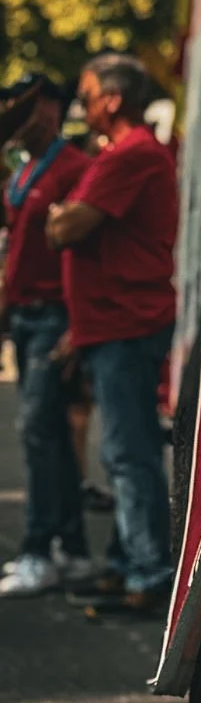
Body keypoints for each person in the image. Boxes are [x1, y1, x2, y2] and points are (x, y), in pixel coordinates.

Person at [46, 53, 178, 616]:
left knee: (128, 454)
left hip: (127, 323)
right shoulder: (128, 155)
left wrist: (61, 214)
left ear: (114, 99)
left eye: (88, 93)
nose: (83, 104)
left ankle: (148, 573)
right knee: (129, 450)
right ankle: (131, 563)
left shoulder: (130, 156)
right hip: (114, 322)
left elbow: (66, 228)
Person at [0, 77, 93, 598]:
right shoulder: (26, 168)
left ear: (50, 109)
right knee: (50, 434)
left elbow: (81, 254)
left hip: (55, 315)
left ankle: (38, 549)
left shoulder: (72, 168)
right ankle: (72, 548)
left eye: (21, 106)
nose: (11, 113)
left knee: (39, 431)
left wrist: (78, 325)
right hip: (26, 315)